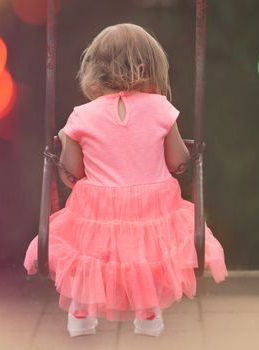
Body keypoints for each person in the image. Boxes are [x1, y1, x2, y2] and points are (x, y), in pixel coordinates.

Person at [23, 23, 228, 338]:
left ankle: (79, 313)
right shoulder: (161, 109)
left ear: (94, 68)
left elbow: (73, 175)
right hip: (152, 208)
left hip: (98, 209)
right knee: (145, 257)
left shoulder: (82, 115)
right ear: (151, 67)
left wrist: (66, 141)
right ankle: (148, 314)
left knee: (88, 257)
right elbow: (177, 163)